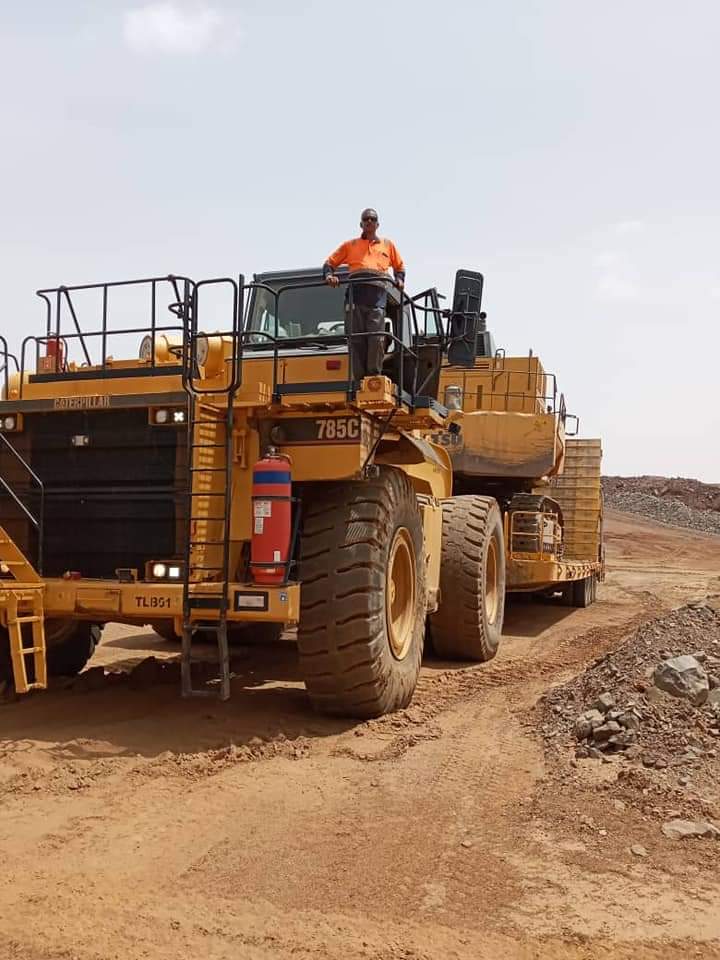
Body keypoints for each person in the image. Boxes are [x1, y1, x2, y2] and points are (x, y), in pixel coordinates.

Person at [323, 208, 405, 382]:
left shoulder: (388, 245)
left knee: (376, 338)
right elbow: (329, 264)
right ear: (360, 224)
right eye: (366, 219)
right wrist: (329, 276)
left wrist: (399, 280)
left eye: (372, 219)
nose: (369, 221)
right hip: (356, 296)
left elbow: (399, 267)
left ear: (377, 224)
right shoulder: (350, 245)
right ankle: (360, 380)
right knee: (356, 339)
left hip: (377, 298)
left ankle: (373, 378)